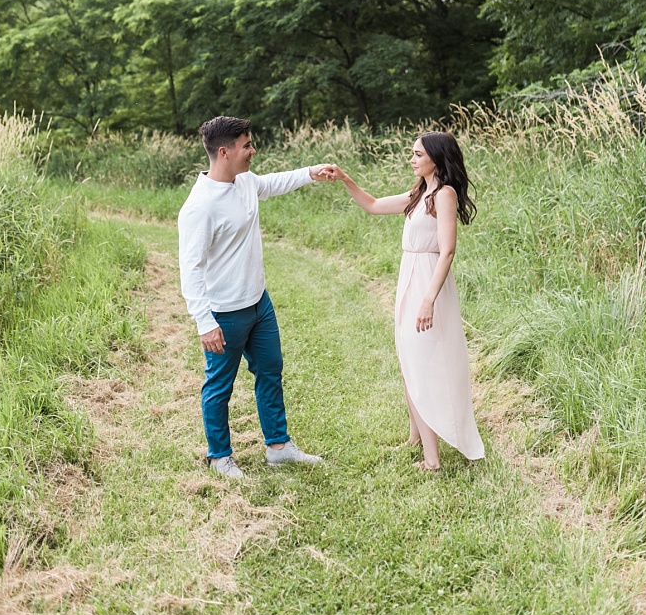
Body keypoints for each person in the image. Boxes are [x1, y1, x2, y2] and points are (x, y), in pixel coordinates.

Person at [178, 116, 335, 479]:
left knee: (270, 370)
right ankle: (219, 456)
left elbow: (273, 183)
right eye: (246, 145)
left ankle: (278, 447)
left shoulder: (244, 182)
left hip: (258, 303)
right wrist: (205, 322)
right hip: (224, 313)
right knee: (219, 386)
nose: (252, 150)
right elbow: (191, 270)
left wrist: (311, 172)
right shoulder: (200, 207)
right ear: (224, 151)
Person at [330, 132, 485, 470]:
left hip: (428, 283)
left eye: (418, 154)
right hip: (409, 278)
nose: (412, 159)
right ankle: (415, 437)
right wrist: (345, 178)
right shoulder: (420, 193)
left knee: (423, 362)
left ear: (435, 158)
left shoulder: (443, 195)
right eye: (412, 153)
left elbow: (447, 252)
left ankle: (433, 460)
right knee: (407, 359)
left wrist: (429, 299)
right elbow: (372, 206)